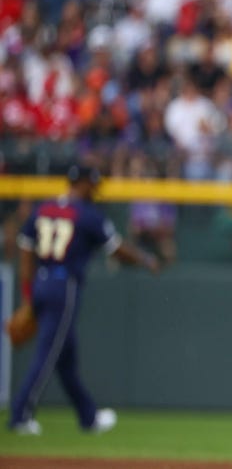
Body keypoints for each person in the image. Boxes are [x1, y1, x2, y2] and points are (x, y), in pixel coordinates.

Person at [7, 164, 159, 435]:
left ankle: (88, 417)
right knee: (48, 353)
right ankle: (20, 415)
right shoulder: (88, 214)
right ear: (84, 183)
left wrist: (28, 297)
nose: (96, 190)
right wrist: (146, 260)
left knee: (66, 358)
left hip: (41, 282)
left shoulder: (44, 208)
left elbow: (26, 252)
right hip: (63, 286)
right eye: (93, 184)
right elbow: (117, 250)